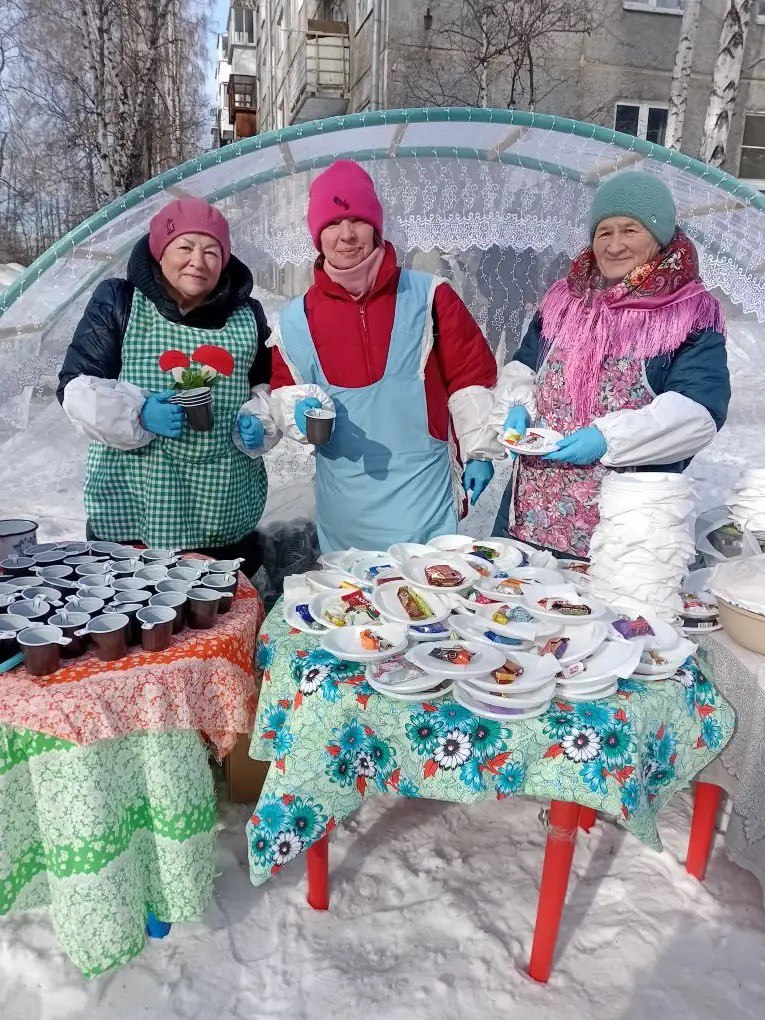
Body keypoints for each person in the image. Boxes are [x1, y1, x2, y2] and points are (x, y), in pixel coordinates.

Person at [491, 171, 730, 559]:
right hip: (530, 513)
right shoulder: (564, 299)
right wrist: (518, 404)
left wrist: (609, 438)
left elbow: (698, 413)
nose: (615, 245)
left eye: (630, 230)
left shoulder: (689, 314)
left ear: (659, 236)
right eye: (604, 232)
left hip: (622, 533)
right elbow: (525, 366)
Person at [268, 160, 500, 552]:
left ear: (376, 226)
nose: (346, 235)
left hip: (423, 506)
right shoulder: (294, 321)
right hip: (345, 515)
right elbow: (281, 395)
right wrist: (294, 409)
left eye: (358, 220)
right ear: (316, 235)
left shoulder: (429, 297)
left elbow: (469, 377)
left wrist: (478, 450)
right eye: (332, 224)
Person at [57, 196, 278, 575]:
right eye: (185, 247)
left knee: (219, 622)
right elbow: (76, 389)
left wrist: (260, 424)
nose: (198, 260)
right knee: (140, 623)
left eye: (212, 251)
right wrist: (139, 413)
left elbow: (264, 388)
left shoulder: (247, 316)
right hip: (136, 503)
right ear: (160, 251)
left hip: (220, 504)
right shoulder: (121, 301)